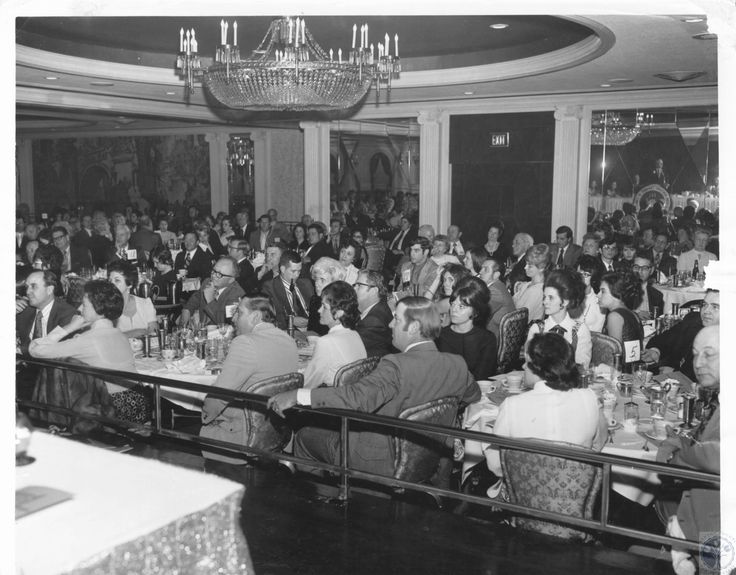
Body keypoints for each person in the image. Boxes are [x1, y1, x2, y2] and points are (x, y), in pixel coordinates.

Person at [268, 296, 481, 478]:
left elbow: (355, 399)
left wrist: (298, 394)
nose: (390, 325)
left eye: (396, 319)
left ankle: (325, 506)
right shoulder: (457, 364)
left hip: (379, 460)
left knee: (306, 436)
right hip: (430, 460)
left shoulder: (396, 365)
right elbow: (473, 396)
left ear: (414, 327)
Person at [484, 332, 607, 478]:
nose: (523, 366)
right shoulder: (589, 398)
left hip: (523, 494)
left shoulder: (512, 405)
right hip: (579, 493)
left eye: (526, 361)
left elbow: (497, 465)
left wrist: (485, 442)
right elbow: (598, 446)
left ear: (538, 366)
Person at [200, 296, 299, 476]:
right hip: (277, 430)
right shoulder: (288, 339)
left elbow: (219, 396)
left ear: (254, 317)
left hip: (242, 434)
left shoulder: (245, 342)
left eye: (239, 312)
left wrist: (203, 413)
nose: (233, 318)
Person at [29, 279, 149, 423]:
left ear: (97, 308)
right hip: (138, 402)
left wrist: (70, 327)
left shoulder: (88, 340)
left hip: (113, 408)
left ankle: (51, 426)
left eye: (84, 305)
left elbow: (35, 350)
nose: (80, 309)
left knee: (53, 370)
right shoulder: (119, 334)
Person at [656, 325, 719, 575]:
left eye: (709, 354)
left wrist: (675, 457)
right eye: (695, 354)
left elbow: (717, 454)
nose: (698, 362)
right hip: (702, 522)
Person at [302, 281, 367, 389]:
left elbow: (308, 383)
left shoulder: (326, 342)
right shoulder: (354, 334)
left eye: (324, 307)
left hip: (330, 399)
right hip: (350, 396)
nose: (319, 310)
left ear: (339, 313)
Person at [642, 289, 719, 381]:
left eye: (715, 307)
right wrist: (655, 351)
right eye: (704, 305)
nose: (706, 311)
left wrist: (676, 373)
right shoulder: (693, 320)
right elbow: (666, 337)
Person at [526, 269, 592, 368]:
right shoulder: (537, 329)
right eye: (544, 297)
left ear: (565, 302)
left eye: (551, 298)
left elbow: (582, 367)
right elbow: (530, 365)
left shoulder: (580, 331)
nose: (545, 302)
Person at [437, 277, 498, 379]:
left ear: (475, 311)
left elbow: (482, 376)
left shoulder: (487, 340)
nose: (454, 310)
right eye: (453, 304)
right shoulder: (439, 336)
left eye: (461, 307)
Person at [16, 270, 78, 355]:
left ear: (49, 290)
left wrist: (18, 351)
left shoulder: (67, 313)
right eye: (27, 287)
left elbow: (53, 350)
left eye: (33, 286)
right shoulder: (23, 309)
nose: (27, 292)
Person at [180, 256, 245, 327]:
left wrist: (210, 301)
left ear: (231, 280)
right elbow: (194, 299)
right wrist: (187, 310)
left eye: (219, 274)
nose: (213, 276)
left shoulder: (236, 294)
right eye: (214, 271)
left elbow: (226, 324)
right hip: (202, 333)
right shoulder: (207, 282)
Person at [598, 271, 644, 367]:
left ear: (616, 293)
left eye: (603, 291)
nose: (598, 295)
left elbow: (614, 354)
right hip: (634, 370)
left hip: (621, 374)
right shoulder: (633, 314)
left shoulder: (614, 316)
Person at [262, 250, 314, 331]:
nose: (297, 275)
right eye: (293, 271)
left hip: (311, 328)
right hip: (288, 331)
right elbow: (269, 316)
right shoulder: (270, 287)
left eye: (299, 271)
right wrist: (290, 320)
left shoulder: (306, 283)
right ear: (282, 269)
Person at [107, 260, 158, 337]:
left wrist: (125, 335)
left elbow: (154, 332)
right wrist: (140, 332)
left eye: (117, 280)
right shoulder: (107, 307)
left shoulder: (145, 303)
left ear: (129, 284)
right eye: (110, 281)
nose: (112, 285)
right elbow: (109, 338)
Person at [355, 270, 394, 358]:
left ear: (374, 291)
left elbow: (350, 347)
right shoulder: (377, 307)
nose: (354, 288)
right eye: (355, 285)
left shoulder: (374, 320)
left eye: (359, 285)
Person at [477, 257, 515, 339]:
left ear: (496, 275)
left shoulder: (495, 291)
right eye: (481, 268)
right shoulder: (498, 286)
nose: (480, 272)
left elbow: (479, 316)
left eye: (485, 269)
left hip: (492, 338)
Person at [513, 243, 550, 322]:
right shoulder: (527, 284)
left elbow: (520, 320)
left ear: (541, 268)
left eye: (530, 266)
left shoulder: (537, 291)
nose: (525, 267)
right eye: (526, 264)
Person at [575, 255, 606, 333]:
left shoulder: (599, 299)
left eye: (585, 274)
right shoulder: (569, 295)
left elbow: (598, 329)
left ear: (594, 277)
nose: (581, 278)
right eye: (579, 274)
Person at [632, 251, 664, 320]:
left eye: (644, 268)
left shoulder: (657, 295)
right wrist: (636, 314)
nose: (639, 271)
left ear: (651, 270)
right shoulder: (623, 290)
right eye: (636, 267)